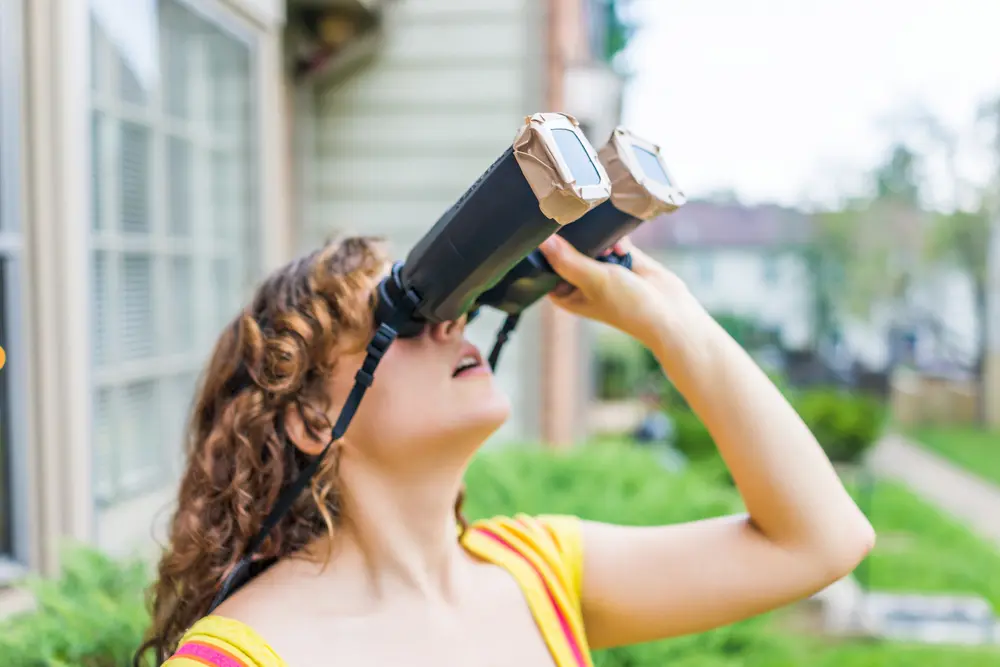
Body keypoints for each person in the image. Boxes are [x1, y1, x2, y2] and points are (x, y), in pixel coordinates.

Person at [142, 234, 875, 667]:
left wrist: (671, 322)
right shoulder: (242, 657)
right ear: (309, 419)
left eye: (441, 299)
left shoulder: (536, 569)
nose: (449, 322)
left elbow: (820, 539)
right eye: (400, 316)